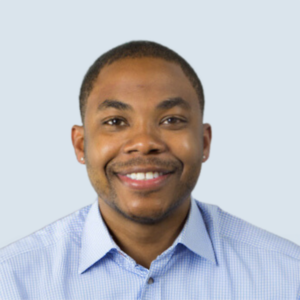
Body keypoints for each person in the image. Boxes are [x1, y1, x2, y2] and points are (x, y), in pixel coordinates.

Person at [0, 41, 299, 300]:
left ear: (204, 142)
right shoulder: (14, 281)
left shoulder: (287, 275)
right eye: (116, 121)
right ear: (81, 145)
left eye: (171, 120)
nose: (144, 143)